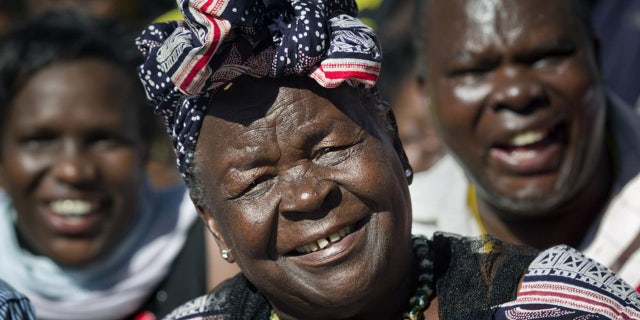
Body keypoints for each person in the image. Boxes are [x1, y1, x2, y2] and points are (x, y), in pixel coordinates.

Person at [135, 0, 640, 319]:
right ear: (214, 226)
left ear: (395, 145)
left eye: (332, 149)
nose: (308, 195)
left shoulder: (553, 306)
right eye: (256, 181)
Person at [0, 10, 236, 320]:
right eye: (40, 141)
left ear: (144, 146)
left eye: (104, 139)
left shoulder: (217, 246)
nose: (73, 170)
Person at [415, 0, 640, 289]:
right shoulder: (396, 250)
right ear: (427, 96)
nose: (516, 93)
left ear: (595, 57)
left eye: (546, 57)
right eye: (474, 70)